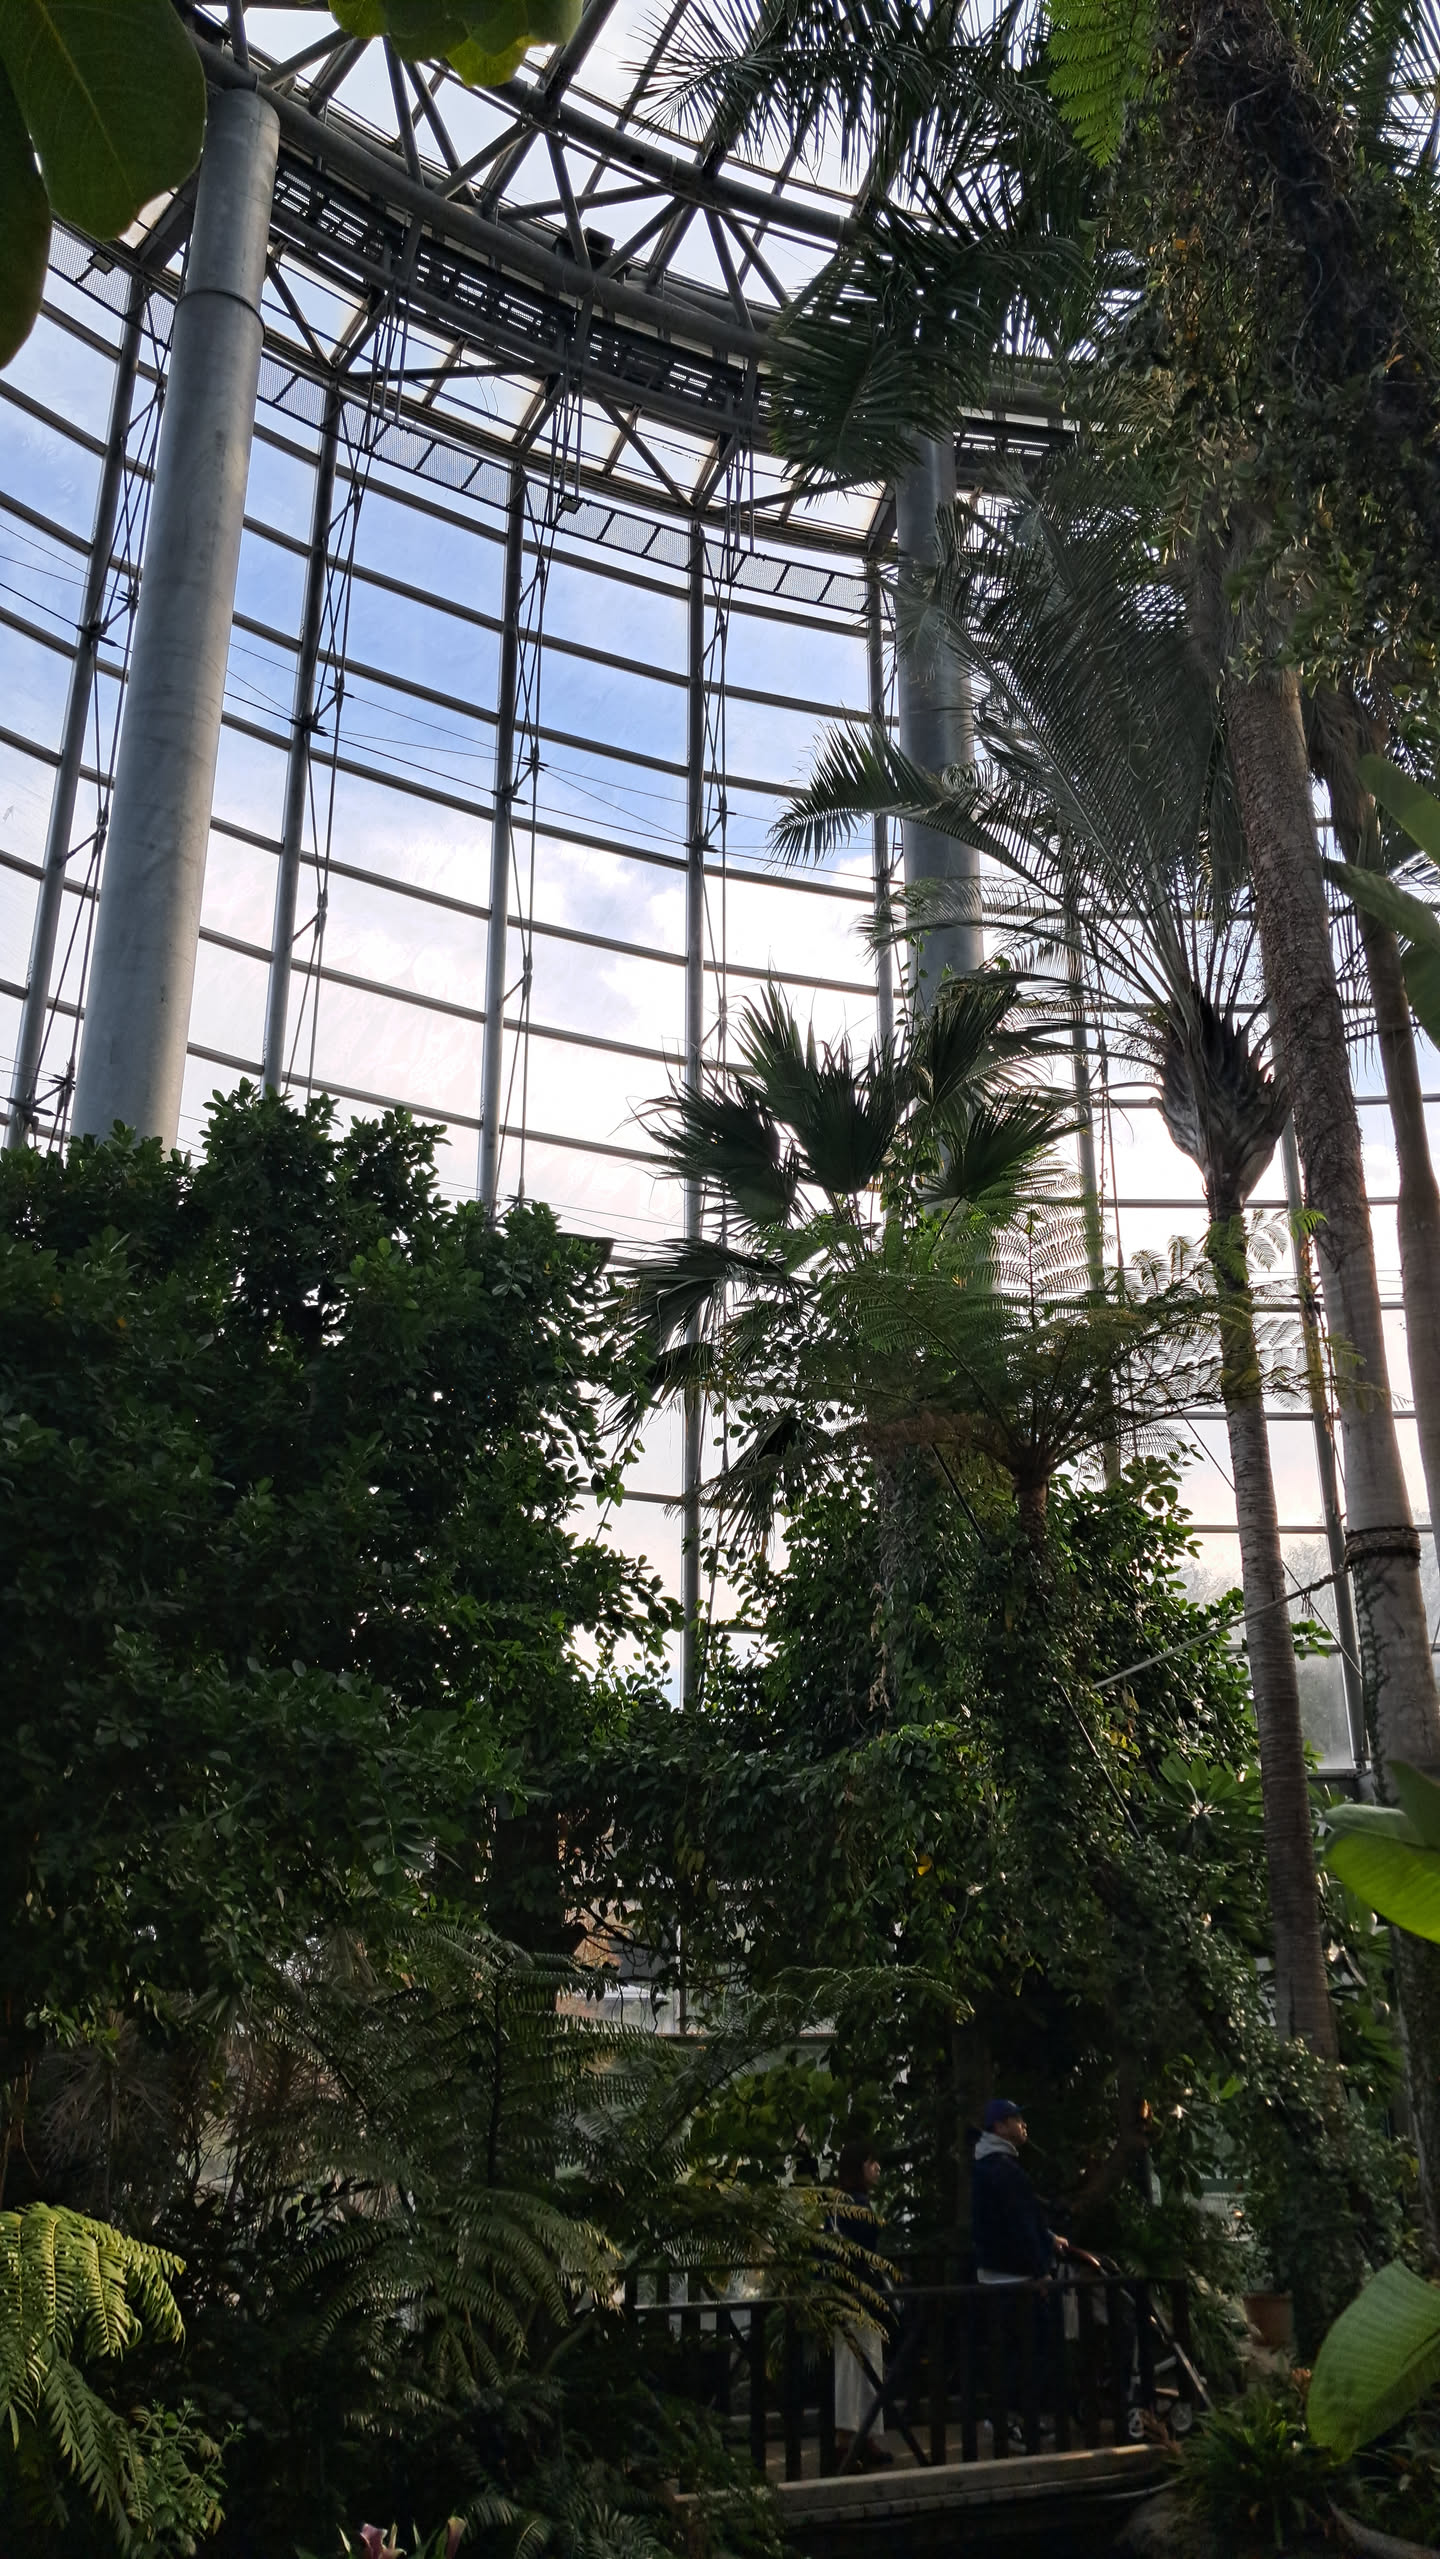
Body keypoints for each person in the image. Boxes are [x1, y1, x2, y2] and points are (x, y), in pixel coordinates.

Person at [971, 2100, 1100, 2284]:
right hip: (1014, 2274)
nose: (1024, 2124)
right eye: (1016, 2119)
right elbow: (1021, 2223)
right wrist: (1041, 2271)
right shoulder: (1005, 2170)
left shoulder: (986, 2164)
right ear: (1000, 2127)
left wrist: (1049, 2238)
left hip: (993, 2269)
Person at [828, 2139, 894, 2470]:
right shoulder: (857, 2206)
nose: (877, 2168)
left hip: (845, 2291)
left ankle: (862, 2436)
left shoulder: (836, 2204)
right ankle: (848, 2440)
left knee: (861, 2363)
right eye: (871, 2163)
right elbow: (865, 2253)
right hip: (858, 2294)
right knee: (859, 2364)